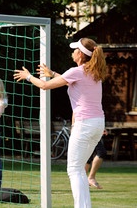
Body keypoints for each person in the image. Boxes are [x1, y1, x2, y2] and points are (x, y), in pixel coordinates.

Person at [14, 37, 107, 208]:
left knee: (74, 170)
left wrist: (28, 77)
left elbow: (43, 85)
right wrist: (53, 74)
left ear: (80, 54)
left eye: (74, 50)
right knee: (78, 169)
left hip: (85, 124)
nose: (72, 52)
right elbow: (70, 82)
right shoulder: (94, 72)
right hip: (98, 123)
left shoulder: (77, 71)